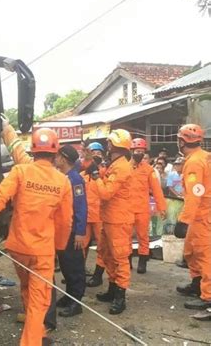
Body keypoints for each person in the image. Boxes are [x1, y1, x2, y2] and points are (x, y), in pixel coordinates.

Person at [0, 128, 73, 346]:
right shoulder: (63, 181)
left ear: (33, 150)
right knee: (38, 302)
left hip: (18, 248)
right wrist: (59, 247)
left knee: (27, 289)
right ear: (56, 153)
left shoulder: (20, 172)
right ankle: (32, 341)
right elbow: (65, 221)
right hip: (42, 252)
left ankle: (37, 332)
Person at [92, 129, 133, 315]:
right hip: (110, 218)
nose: (107, 146)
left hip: (118, 220)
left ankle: (120, 297)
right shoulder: (116, 164)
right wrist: (100, 172)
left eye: (109, 143)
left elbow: (106, 193)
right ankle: (112, 289)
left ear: (114, 145)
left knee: (120, 258)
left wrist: (95, 177)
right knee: (107, 255)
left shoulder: (122, 167)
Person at [45, 145, 87, 319]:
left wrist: (80, 231)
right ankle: (70, 296)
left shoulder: (75, 179)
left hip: (72, 230)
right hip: (63, 229)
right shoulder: (63, 177)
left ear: (63, 158)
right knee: (65, 265)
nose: (54, 158)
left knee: (74, 266)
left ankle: (76, 302)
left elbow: (81, 207)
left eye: (57, 156)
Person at [174, 124, 211, 311]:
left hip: (201, 216)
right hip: (200, 213)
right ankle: (197, 284)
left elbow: (196, 193)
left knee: (204, 255)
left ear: (182, 141)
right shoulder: (203, 157)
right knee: (191, 252)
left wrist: (184, 220)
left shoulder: (195, 162)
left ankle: (208, 296)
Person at [129, 138, 167, 274]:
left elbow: (157, 190)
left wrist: (162, 207)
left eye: (142, 152)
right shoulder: (125, 168)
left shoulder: (148, 170)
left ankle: (142, 261)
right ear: (132, 151)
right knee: (126, 236)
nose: (139, 154)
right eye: (137, 151)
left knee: (143, 236)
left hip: (142, 209)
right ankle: (127, 262)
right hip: (126, 209)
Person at [82, 142, 106, 287]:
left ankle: (98, 275)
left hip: (100, 215)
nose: (96, 155)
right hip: (85, 215)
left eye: (99, 153)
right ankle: (79, 272)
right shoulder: (82, 174)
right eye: (93, 152)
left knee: (102, 246)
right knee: (81, 245)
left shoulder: (105, 172)